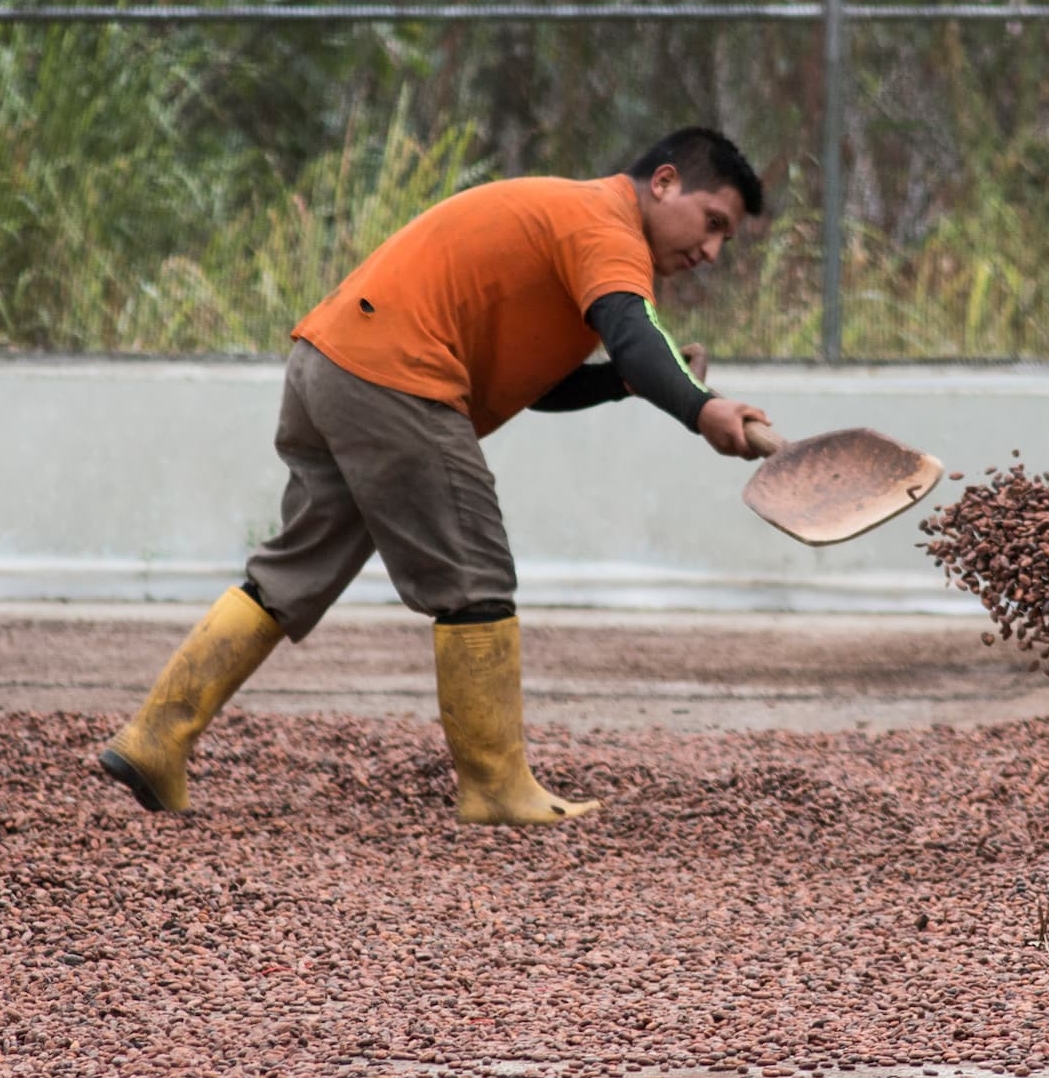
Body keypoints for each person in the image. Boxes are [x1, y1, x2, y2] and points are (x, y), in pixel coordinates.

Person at [96, 126, 770, 826]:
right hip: (396, 379)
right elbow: (635, 332)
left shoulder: (569, 223)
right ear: (663, 184)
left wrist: (622, 386)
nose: (712, 251)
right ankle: (495, 786)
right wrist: (702, 409)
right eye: (712, 223)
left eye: (727, 238)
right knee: (474, 573)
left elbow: (534, 381)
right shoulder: (606, 227)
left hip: (331, 364)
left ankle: (155, 738)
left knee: (295, 569)